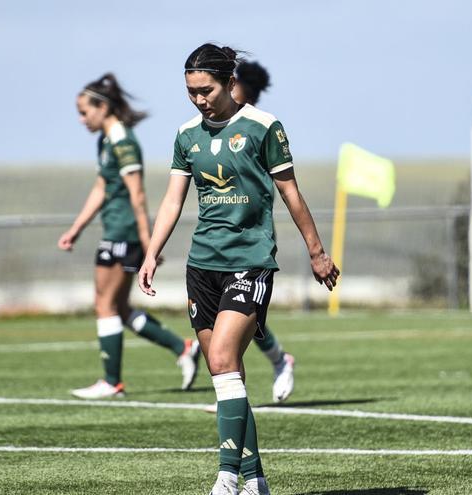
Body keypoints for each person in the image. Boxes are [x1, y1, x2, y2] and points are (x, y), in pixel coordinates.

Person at [138, 44, 339, 495]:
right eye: (190, 92)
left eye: (205, 90)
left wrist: (317, 251)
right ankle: (256, 480)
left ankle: (226, 477)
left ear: (230, 83)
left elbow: (290, 192)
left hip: (249, 261)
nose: (198, 99)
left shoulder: (264, 128)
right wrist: (152, 253)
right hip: (201, 266)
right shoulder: (187, 135)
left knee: (226, 361)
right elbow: (173, 200)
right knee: (227, 376)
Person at [59, 73, 200, 399]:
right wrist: (76, 229)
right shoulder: (106, 140)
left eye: (84, 112)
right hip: (116, 230)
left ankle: (112, 382)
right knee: (119, 308)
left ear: (103, 106)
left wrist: (149, 242)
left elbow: (138, 195)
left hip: (124, 233)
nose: (82, 119)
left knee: (105, 305)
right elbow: (102, 187)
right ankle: (183, 348)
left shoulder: (123, 141)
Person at [233, 60, 296, 404]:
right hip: (218, 238)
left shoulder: (258, 127)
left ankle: (234, 387)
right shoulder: (213, 125)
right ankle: (275, 361)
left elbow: (286, 187)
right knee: (233, 318)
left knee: (243, 317)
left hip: (251, 237)